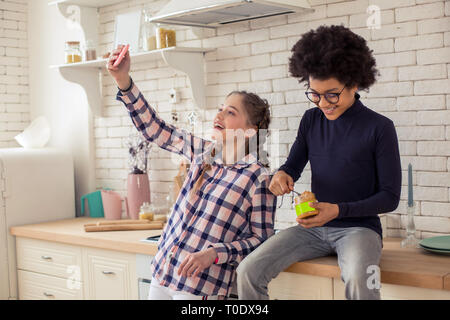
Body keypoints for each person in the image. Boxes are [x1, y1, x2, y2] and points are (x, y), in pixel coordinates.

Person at [236, 25, 402, 300]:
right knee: (247, 271)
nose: (323, 103)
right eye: (315, 94)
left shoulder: (380, 127)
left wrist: (336, 210)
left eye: (332, 94)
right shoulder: (311, 120)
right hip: (312, 228)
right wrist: (281, 175)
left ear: (355, 84)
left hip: (359, 230)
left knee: (362, 282)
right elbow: (292, 165)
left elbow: (389, 198)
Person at [107, 45, 276, 300]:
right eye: (221, 108)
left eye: (231, 112)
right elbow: (156, 130)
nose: (219, 114)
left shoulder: (258, 177)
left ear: (250, 131)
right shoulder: (204, 153)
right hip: (164, 270)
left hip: (202, 286)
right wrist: (123, 80)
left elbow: (261, 241)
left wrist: (215, 253)